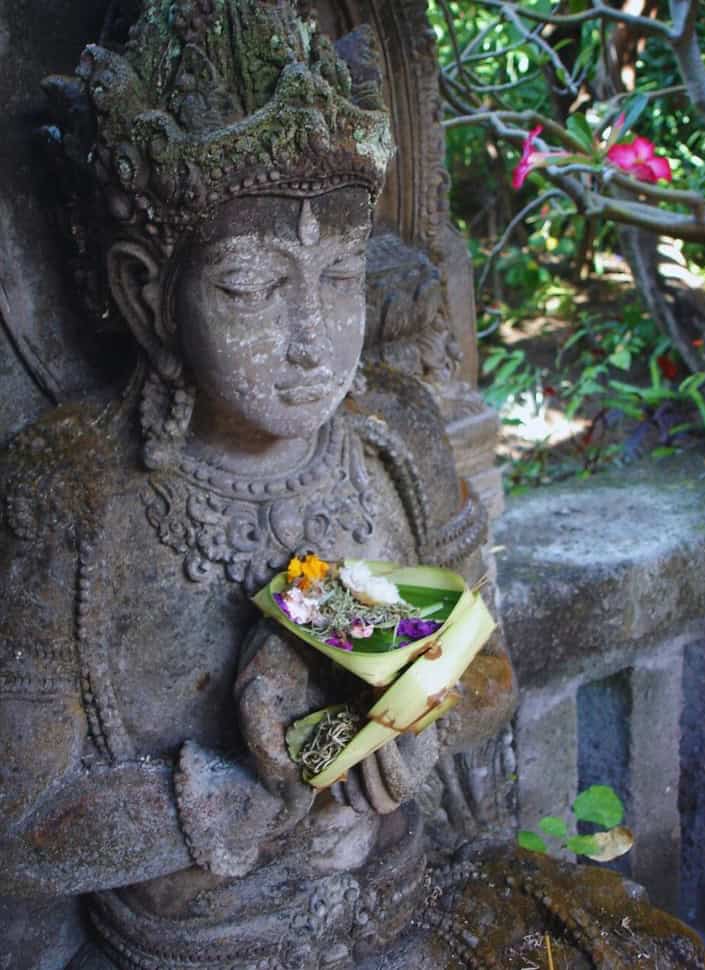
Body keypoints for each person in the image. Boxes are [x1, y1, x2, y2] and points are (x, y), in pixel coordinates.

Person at [0, 3, 514, 966]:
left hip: (407, 912)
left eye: (341, 277)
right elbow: (16, 824)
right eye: (250, 288)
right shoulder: (73, 495)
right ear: (147, 290)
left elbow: (484, 671)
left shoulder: (390, 435)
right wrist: (229, 797)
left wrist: (405, 720)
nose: (312, 342)